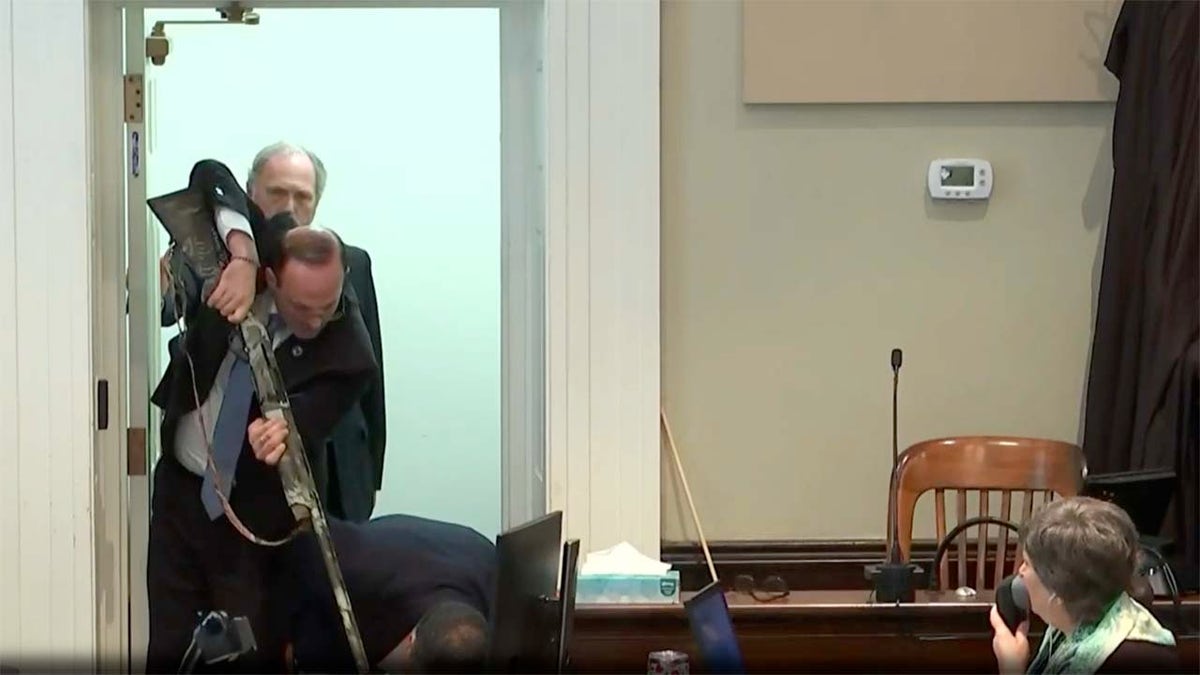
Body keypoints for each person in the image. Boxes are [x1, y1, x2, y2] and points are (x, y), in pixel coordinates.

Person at [146, 158, 379, 672]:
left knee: (238, 652)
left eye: (328, 307)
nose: (316, 321)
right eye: (302, 309)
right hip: (181, 494)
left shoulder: (344, 329)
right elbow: (209, 173)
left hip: (255, 515)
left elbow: (353, 378)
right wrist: (243, 257)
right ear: (273, 279)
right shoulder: (242, 253)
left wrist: (292, 427)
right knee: (169, 644)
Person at [160, 141, 387, 522]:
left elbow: (369, 371)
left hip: (325, 466)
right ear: (250, 194)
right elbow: (171, 307)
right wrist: (244, 256)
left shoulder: (347, 263)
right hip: (205, 472)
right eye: (277, 193)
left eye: (303, 197)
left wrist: (371, 474)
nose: (289, 207)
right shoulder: (222, 255)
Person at [282, 514, 496, 673]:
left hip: (462, 551)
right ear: (412, 639)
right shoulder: (347, 563)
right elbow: (295, 534)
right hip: (377, 551)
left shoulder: (500, 587)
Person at [989, 496, 1179, 674]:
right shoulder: (1071, 629)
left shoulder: (1134, 661)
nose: (1020, 572)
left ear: (1058, 590)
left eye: (1028, 564)